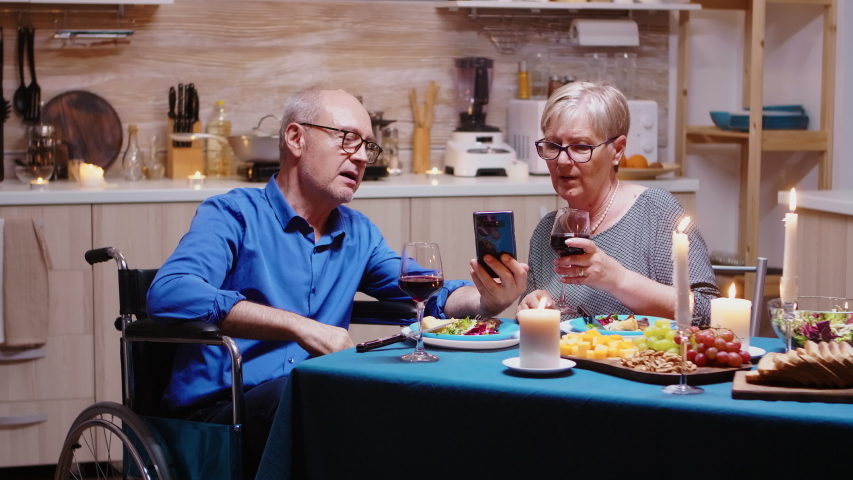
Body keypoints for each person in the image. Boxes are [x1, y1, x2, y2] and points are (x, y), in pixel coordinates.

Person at [146, 86, 528, 479]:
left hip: (313, 402)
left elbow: (429, 293)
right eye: (348, 139)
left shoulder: (358, 234)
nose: (362, 156)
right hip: (223, 414)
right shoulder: (232, 214)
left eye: (368, 146)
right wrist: (298, 326)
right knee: (310, 395)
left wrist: (486, 301)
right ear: (296, 138)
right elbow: (171, 291)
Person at [517, 81, 720, 324]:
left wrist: (618, 279)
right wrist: (532, 306)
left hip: (643, 361)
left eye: (580, 146)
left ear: (618, 150)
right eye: (553, 145)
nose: (561, 160)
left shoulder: (655, 211)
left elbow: (711, 314)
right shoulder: (547, 231)